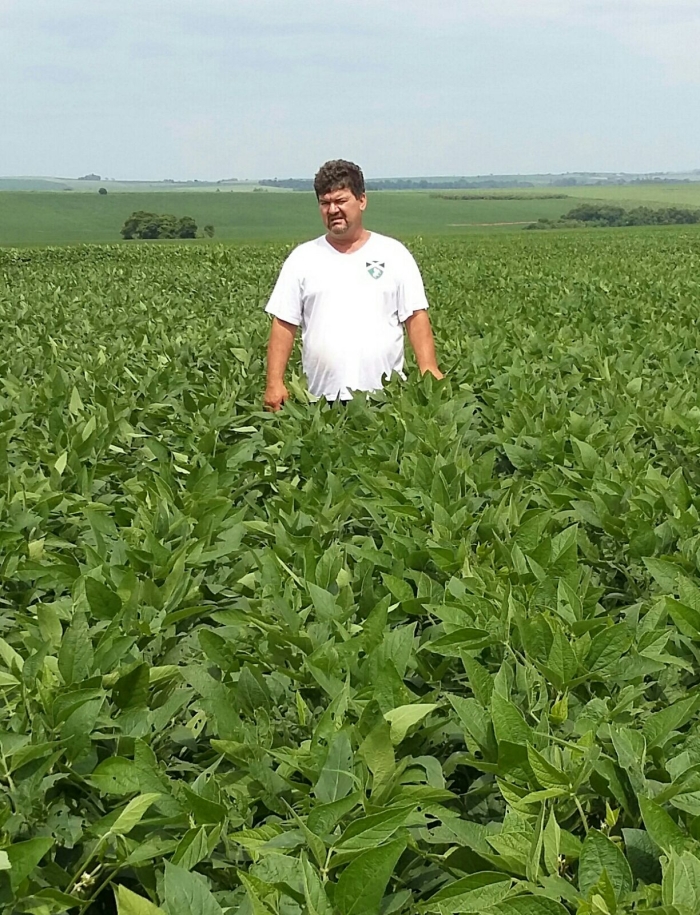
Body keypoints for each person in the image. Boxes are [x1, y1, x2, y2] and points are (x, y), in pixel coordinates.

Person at [263, 159, 443, 411]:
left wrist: (428, 367)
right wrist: (274, 382)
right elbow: (283, 322)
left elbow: (415, 315)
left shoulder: (393, 254)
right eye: (325, 203)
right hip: (319, 401)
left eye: (340, 200)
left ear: (362, 200)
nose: (333, 209)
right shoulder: (302, 259)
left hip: (385, 398)